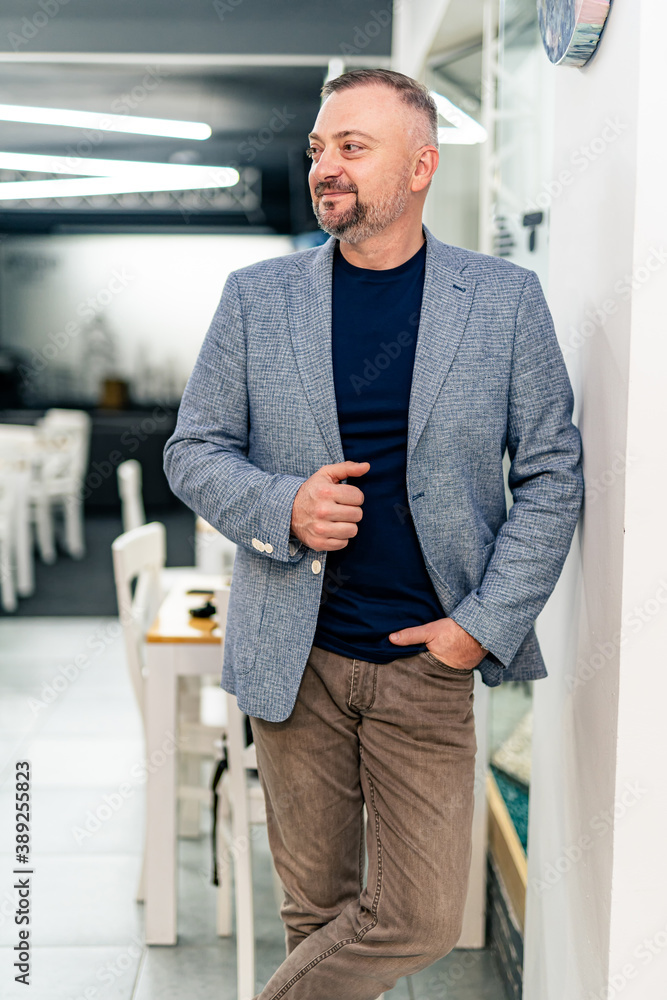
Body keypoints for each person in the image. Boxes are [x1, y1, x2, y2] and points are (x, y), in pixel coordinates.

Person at [163, 68, 583, 1000]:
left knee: (420, 915)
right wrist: (283, 506)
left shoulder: (504, 301)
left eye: (353, 147)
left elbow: (553, 474)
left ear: (421, 165)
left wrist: (481, 623)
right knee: (317, 918)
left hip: (427, 661)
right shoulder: (255, 297)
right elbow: (192, 452)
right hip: (292, 654)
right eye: (318, 148)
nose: (326, 166)